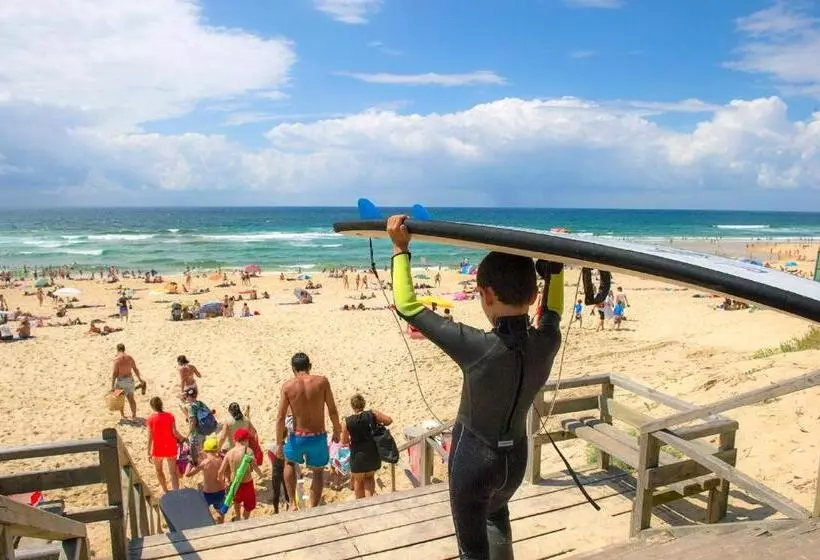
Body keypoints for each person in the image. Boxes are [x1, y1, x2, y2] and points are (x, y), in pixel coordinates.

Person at [386, 214, 564, 560]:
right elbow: (552, 312)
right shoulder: (547, 341)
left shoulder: (478, 347)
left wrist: (399, 249)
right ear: (533, 293)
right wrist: (555, 268)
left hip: (474, 463)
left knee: (472, 551)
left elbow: (408, 306)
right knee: (497, 517)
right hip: (515, 462)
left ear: (485, 294)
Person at [274, 352, 342, 509]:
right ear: (309, 366)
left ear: (293, 369)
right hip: (318, 436)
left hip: (297, 436)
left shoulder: (288, 386)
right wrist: (337, 430)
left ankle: (292, 503)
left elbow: (280, 417)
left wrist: (279, 443)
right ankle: (312, 506)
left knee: (290, 464)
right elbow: (332, 409)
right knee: (318, 471)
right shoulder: (322, 382)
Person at [341, 394, 392, 499]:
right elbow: (389, 421)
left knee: (358, 480)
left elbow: (344, 441)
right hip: (372, 452)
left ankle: (361, 507)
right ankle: (369, 504)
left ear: (352, 406)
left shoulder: (347, 421)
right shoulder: (372, 414)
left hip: (357, 455)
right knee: (369, 478)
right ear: (363, 404)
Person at [219, 428, 260, 520]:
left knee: (236, 501)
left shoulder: (229, 453)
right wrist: (261, 475)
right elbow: (255, 467)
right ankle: (245, 519)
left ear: (234, 440)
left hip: (234, 483)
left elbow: (220, 471)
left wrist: (222, 481)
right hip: (247, 483)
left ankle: (238, 517)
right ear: (245, 440)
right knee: (249, 505)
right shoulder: (248, 451)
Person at [146, 397, 185, 492]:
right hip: (170, 447)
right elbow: (174, 432)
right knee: (173, 472)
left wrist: (148, 451)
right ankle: (176, 492)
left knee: (159, 471)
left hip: (158, 449)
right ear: (161, 404)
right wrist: (182, 438)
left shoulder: (151, 419)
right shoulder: (170, 416)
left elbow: (150, 437)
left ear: (152, 407)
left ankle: (165, 490)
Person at [185, 436, 227, 523]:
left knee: (201, 511)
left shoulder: (205, 463)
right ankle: (221, 524)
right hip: (221, 492)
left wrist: (190, 463)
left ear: (205, 450)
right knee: (220, 511)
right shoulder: (220, 460)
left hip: (208, 494)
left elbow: (188, 474)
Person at [111, 343, 146, 419]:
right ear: (124, 349)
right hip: (130, 380)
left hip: (120, 381)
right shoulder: (130, 358)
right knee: (131, 399)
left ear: (117, 350)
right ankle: (134, 416)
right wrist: (140, 379)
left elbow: (114, 373)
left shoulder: (116, 359)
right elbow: (135, 369)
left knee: (120, 399)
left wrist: (112, 385)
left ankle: (123, 415)